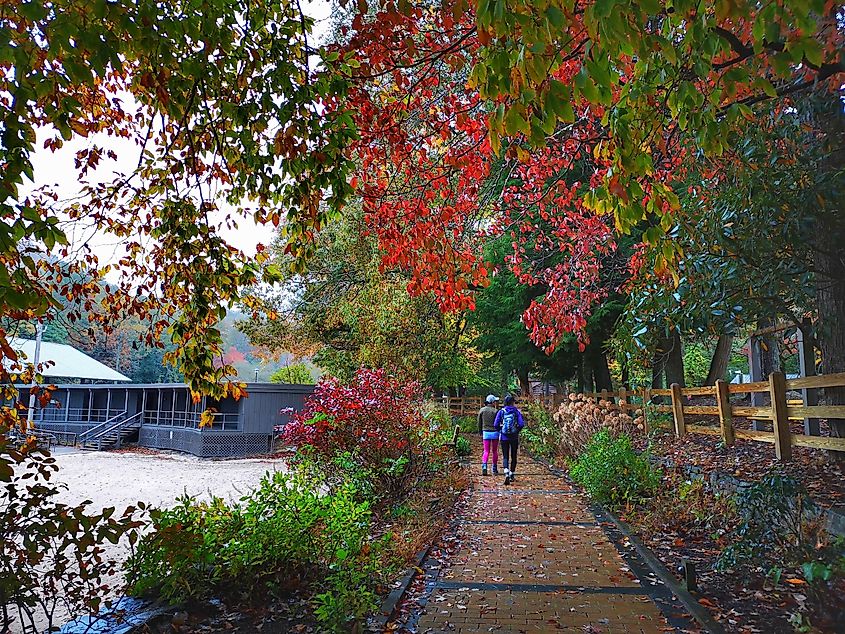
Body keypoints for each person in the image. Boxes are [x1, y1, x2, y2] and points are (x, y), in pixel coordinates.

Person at [494, 394, 525, 485]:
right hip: (514, 437)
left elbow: (495, 424)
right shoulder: (516, 412)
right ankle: (512, 473)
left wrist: (501, 430)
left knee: (505, 455)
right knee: (514, 455)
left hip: (504, 437)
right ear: (512, 402)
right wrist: (517, 430)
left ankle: (506, 472)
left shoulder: (501, 412)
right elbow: (521, 424)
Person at [477, 394, 500, 476]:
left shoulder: (482, 410)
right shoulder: (495, 411)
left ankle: (484, 466)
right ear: (492, 402)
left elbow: (479, 423)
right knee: (494, 451)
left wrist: (480, 432)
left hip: (486, 432)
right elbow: (498, 423)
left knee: (486, 451)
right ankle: (494, 468)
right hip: (495, 433)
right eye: (495, 401)